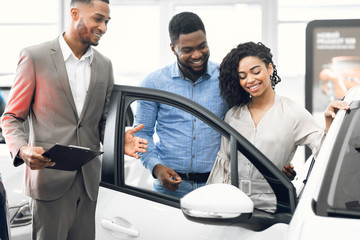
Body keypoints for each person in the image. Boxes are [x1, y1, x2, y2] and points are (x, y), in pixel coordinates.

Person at [0, 0, 147, 239]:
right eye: (98, 19)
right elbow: (12, 117)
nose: (104, 28)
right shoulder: (34, 57)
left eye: (107, 22)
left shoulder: (104, 65)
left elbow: (101, 124)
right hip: (49, 181)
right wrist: (22, 150)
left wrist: (117, 140)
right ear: (75, 13)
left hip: (88, 183)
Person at [206, 41, 349, 212]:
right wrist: (212, 207)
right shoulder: (233, 115)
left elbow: (327, 155)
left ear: (270, 68)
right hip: (234, 204)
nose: (250, 80)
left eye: (256, 71)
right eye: (242, 76)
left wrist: (329, 124)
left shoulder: (293, 112)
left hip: (272, 208)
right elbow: (223, 165)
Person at [133, 12, 229, 198]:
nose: (197, 55)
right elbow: (142, 133)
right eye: (187, 50)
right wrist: (156, 167)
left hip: (217, 185)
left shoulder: (225, 78)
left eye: (202, 46)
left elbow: (246, 125)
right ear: (173, 48)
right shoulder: (153, 83)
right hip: (170, 188)